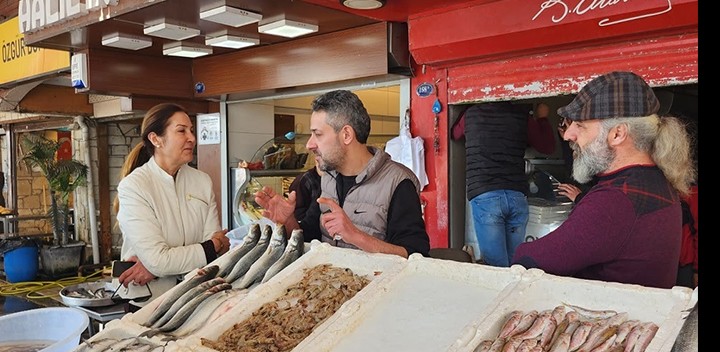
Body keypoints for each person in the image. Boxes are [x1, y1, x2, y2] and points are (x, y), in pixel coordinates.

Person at [512, 71, 696, 289]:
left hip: (613, 319)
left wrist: (521, 251)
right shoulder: (658, 179)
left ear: (618, 134)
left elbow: (529, 260)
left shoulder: (616, 200)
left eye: (580, 126)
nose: (569, 135)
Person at [254, 90, 430, 258]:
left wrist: (355, 235)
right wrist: (289, 221)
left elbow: (416, 255)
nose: (309, 144)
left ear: (346, 135)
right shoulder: (328, 178)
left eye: (318, 134)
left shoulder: (398, 182)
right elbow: (312, 236)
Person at [114, 103, 230, 307]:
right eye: (181, 131)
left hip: (196, 298)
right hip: (149, 303)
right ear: (155, 139)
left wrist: (158, 267)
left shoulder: (202, 181)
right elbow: (211, 246)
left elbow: (212, 255)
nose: (192, 138)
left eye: (191, 131)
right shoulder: (134, 187)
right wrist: (211, 247)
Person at [452, 101, 555, 267]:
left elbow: (455, 134)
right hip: (516, 196)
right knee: (515, 264)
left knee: (496, 267)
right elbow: (547, 146)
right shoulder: (522, 116)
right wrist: (542, 118)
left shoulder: (471, 114)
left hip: (486, 195)